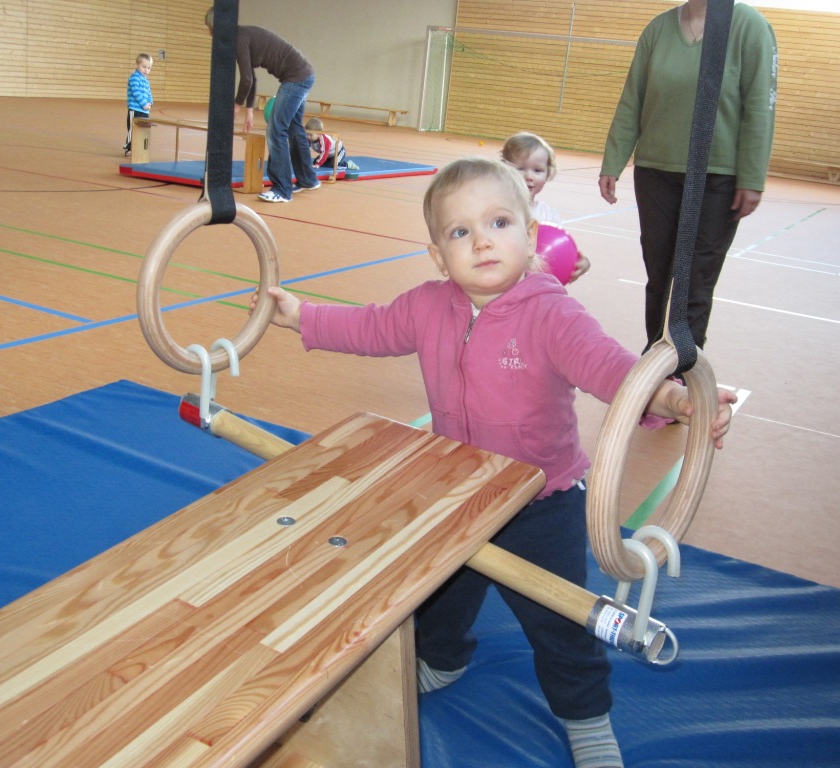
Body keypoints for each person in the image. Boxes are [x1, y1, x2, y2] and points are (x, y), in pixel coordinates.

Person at [251, 157, 736, 768]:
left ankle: (585, 716)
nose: (482, 241)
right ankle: (443, 658)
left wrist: (671, 398)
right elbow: (371, 328)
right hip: (460, 494)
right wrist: (303, 316)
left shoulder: (551, 313)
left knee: (559, 621)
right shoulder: (427, 306)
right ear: (438, 256)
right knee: (437, 598)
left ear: (530, 236)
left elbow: (610, 368)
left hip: (542, 503)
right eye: (461, 232)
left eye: (499, 223)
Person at [598, 0, 777, 350]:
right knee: (660, 277)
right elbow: (632, 99)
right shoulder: (658, 29)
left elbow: (760, 105)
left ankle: (684, 364)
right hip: (656, 172)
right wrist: (613, 161)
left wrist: (751, 176)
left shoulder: (749, 27)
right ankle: (656, 357)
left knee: (695, 281)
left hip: (716, 178)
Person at [205, 8, 320, 203]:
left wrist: (237, 105)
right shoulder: (242, 35)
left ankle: (282, 190)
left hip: (295, 79)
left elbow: (246, 80)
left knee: (276, 130)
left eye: (211, 29)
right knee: (294, 128)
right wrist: (249, 110)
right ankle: (308, 179)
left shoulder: (238, 39)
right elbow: (251, 78)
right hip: (304, 75)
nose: (210, 34)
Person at [502, 132, 590, 281]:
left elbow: (560, 251)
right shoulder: (496, 209)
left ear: (548, 173)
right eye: (520, 168)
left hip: (536, 288)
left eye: (537, 170)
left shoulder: (549, 216)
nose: (529, 176)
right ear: (503, 169)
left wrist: (579, 264)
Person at [124, 53, 153, 157]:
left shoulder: (146, 81)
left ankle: (140, 148)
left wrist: (150, 103)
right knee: (133, 129)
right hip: (135, 110)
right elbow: (136, 92)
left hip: (145, 111)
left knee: (142, 130)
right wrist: (143, 104)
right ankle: (129, 148)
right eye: (144, 67)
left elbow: (149, 93)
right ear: (137, 65)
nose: (146, 70)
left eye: (148, 68)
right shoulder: (134, 78)